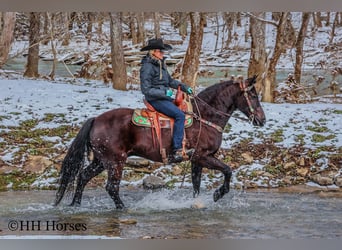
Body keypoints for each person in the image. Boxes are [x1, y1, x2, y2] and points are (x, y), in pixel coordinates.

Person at [140, 38, 193, 163]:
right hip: (155, 99)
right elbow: (145, 89)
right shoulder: (147, 67)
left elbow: (169, 81)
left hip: (163, 97)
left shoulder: (160, 65)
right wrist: (164, 92)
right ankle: (177, 149)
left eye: (163, 52)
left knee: (183, 110)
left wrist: (185, 87)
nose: (163, 53)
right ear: (153, 52)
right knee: (179, 115)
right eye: (160, 51)